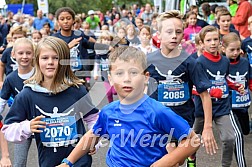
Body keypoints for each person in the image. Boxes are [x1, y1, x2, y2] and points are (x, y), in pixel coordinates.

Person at [56, 46, 200, 167]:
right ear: (110, 79)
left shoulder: (157, 111)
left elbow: (193, 140)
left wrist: (165, 162)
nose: (127, 79)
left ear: (146, 77)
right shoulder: (108, 111)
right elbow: (93, 134)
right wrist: (68, 162)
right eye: (119, 73)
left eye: (133, 72)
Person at [1, 36, 99, 167]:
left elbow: (94, 119)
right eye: (45, 58)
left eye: (56, 58)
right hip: (49, 162)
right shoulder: (27, 95)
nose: (50, 62)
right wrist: (27, 127)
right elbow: (7, 130)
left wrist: (93, 142)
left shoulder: (77, 90)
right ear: (37, 61)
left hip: (79, 161)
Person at [146, 11, 217, 167]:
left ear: (183, 35)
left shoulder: (191, 62)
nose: (174, 36)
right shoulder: (148, 60)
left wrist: (207, 127)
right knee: (169, 157)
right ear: (159, 35)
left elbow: (205, 95)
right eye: (169, 32)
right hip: (157, 122)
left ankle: (190, 159)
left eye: (178, 32)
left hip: (183, 120)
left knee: (177, 160)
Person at [194, 25, 244, 167]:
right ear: (202, 43)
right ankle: (191, 160)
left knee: (229, 138)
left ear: (220, 41)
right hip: (202, 109)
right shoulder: (199, 62)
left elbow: (224, 78)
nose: (213, 43)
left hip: (222, 107)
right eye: (209, 40)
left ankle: (225, 165)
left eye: (215, 39)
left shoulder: (225, 61)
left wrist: (234, 86)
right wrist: (210, 91)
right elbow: (193, 88)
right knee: (193, 139)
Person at [52, 7, 110, 91]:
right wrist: (68, 47)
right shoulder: (55, 38)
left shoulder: (78, 34)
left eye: (68, 18)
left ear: (73, 20)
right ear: (58, 21)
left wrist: (106, 47)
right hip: (63, 75)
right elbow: (53, 55)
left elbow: (89, 45)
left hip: (79, 73)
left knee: (83, 97)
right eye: (62, 19)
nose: (65, 21)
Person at [0, 38, 35, 167]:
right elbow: (2, 101)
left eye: (28, 53)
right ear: (13, 55)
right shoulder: (10, 78)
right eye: (20, 53)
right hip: (21, 125)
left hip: (42, 124)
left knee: (49, 160)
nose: (24, 57)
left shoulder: (41, 74)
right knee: (19, 163)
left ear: (34, 54)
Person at [222, 32, 251, 167]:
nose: (235, 53)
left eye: (238, 49)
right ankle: (242, 164)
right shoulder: (222, 64)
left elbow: (249, 80)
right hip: (229, 106)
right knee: (237, 135)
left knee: (245, 131)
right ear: (223, 49)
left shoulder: (245, 62)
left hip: (244, 105)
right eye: (231, 50)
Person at [93, 31, 117, 103]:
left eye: (108, 40)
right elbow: (97, 63)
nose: (106, 41)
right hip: (105, 75)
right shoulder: (99, 52)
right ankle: (111, 104)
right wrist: (95, 73)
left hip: (114, 75)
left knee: (115, 92)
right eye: (104, 39)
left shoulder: (113, 51)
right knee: (108, 92)